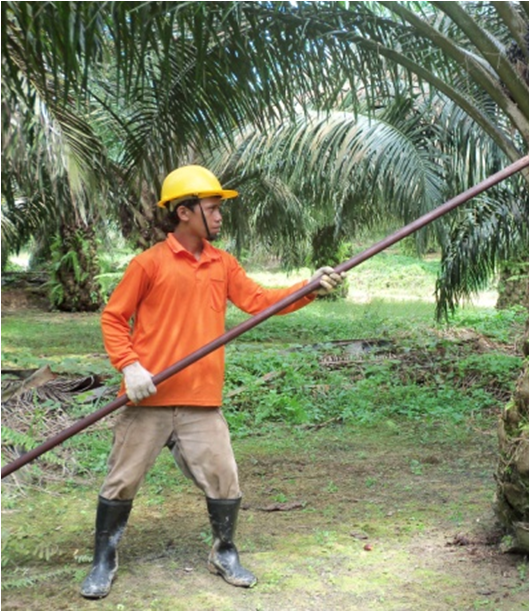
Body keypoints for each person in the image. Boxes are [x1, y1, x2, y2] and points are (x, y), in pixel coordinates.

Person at [80, 165, 344, 599]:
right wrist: (129, 366)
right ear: (184, 212)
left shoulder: (223, 264)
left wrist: (310, 287)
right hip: (149, 398)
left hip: (201, 400)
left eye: (220, 209)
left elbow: (259, 302)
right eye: (212, 208)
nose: (220, 217)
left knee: (224, 479)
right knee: (121, 481)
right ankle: (103, 559)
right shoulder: (148, 264)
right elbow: (113, 317)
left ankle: (224, 551)